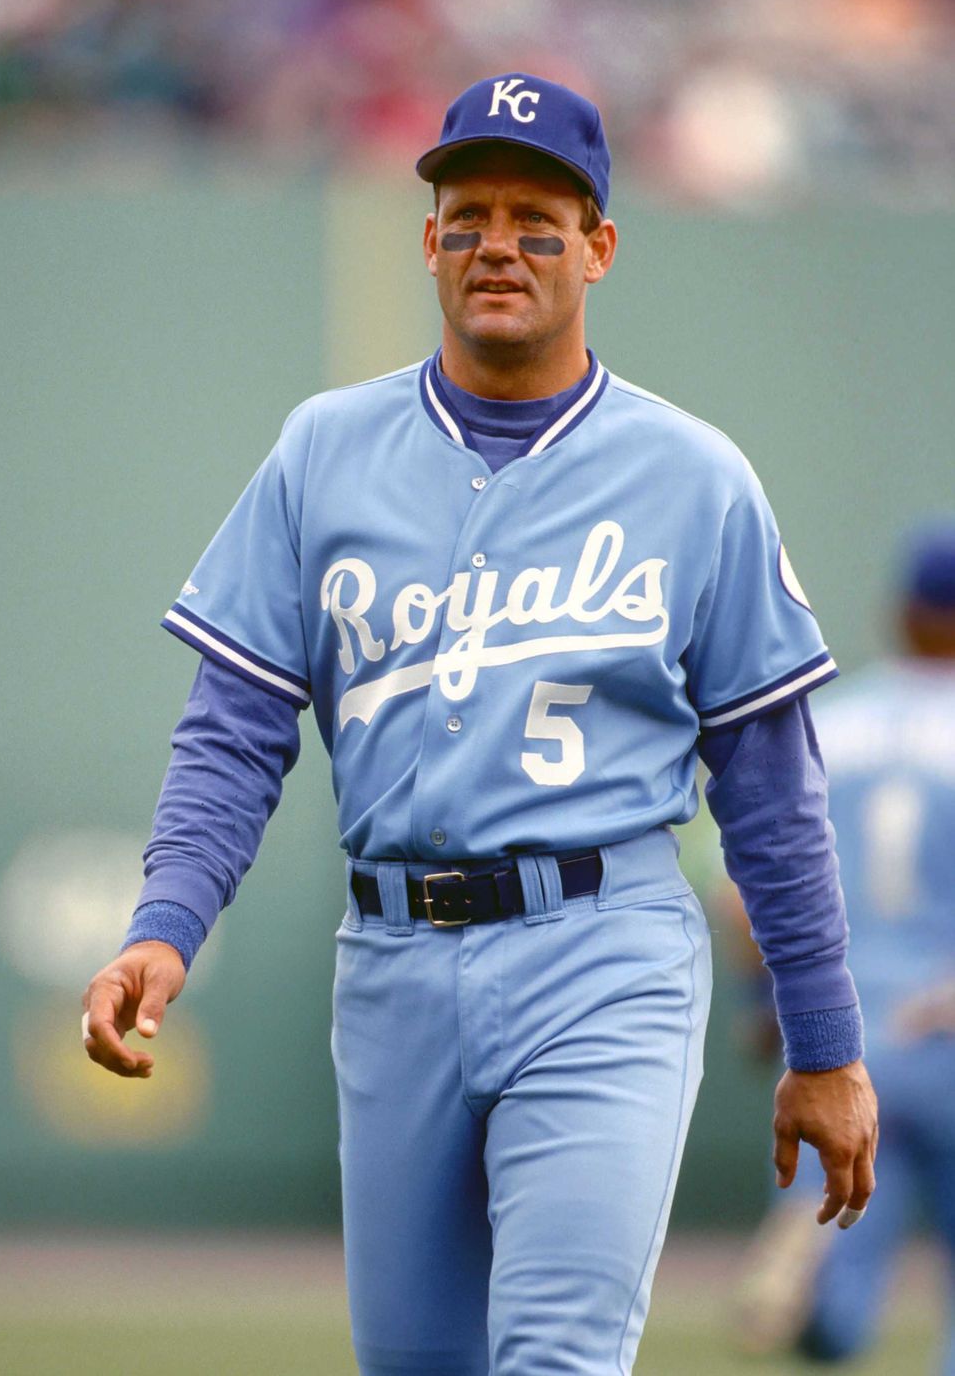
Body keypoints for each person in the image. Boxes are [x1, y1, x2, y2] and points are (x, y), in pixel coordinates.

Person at [81, 74, 878, 1376]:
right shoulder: (322, 451)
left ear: (601, 245)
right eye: (467, 215)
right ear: (430, 241)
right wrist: (165, 926)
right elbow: (235, 726)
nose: (497, 241)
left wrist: (824, 1042)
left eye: (536, 215)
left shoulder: (693, 477)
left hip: (602, 951)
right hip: (389, 961)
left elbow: (771, 789)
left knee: (557, 1356)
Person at [729, 521, 955, 1372]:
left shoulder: (833, 720)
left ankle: (824, 1297)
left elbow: (741, 893)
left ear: (902, 613)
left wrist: (766, 1000)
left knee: (845, 1223)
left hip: (846, 1040)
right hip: (944, 1021)